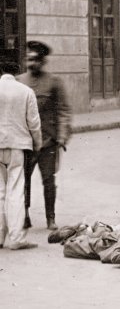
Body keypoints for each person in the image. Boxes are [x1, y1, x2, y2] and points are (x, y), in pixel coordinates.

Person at [18, 41, 72, 231]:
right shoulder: (19, 81)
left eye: (34, 59)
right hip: (25, 142)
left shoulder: (54, 82)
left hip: (48, 141)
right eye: (28, 58)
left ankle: (51, 218)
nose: (30, 62)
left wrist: (62, 136)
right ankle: (24, 215)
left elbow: (64, 110)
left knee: (49, 181)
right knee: (22, 181)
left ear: (42, 61)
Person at [0, 60, 42, 250]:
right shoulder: (26, 91)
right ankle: (16, 238)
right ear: (17, 73)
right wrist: (37, 145)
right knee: (16, 190)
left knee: (0, 191)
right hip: (17, 146)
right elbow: (34, 123)